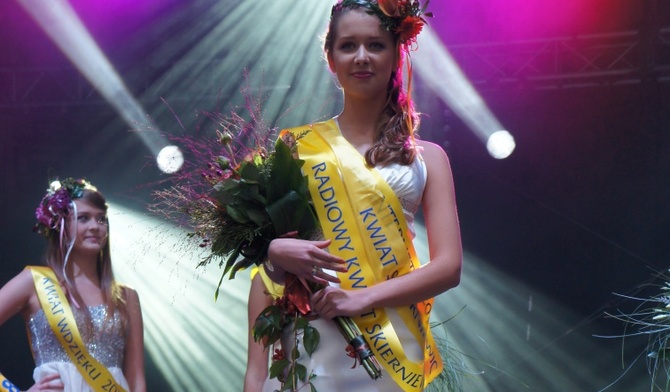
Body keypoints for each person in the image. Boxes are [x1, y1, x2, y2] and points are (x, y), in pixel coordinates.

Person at [245, 0, 462, 391]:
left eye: (375, 45)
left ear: (397, 53)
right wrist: (274, 251)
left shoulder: (429, 158)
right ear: (330, 57)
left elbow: (448, 267)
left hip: (391, 338)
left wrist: (362, 298)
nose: (362, 57)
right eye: (348, 46)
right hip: (312, 335)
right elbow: (270, 273)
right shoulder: (296, 148)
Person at [0, 178, 146, 392]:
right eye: (84, 218)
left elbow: (136, 379)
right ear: (60, 226)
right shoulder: (34, 282)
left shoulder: (126, 296)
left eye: (101, 219)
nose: (95, 226)